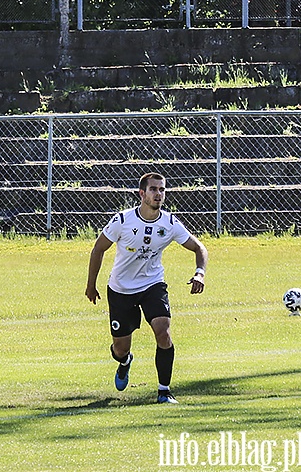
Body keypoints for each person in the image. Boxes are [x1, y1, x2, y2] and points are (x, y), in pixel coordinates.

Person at [85, 172, 208, 404]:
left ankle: (164, 391)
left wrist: (199, 272)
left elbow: (199, 248)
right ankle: (124, 362)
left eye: (162, 190)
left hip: (152, 284)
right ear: (142, 194)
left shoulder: (169, 223)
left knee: (163, 331)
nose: (158, 194)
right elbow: (98, 249)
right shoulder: (122, 220)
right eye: (153, 189)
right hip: (121, 288)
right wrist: (91, 285)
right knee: (120, 348)